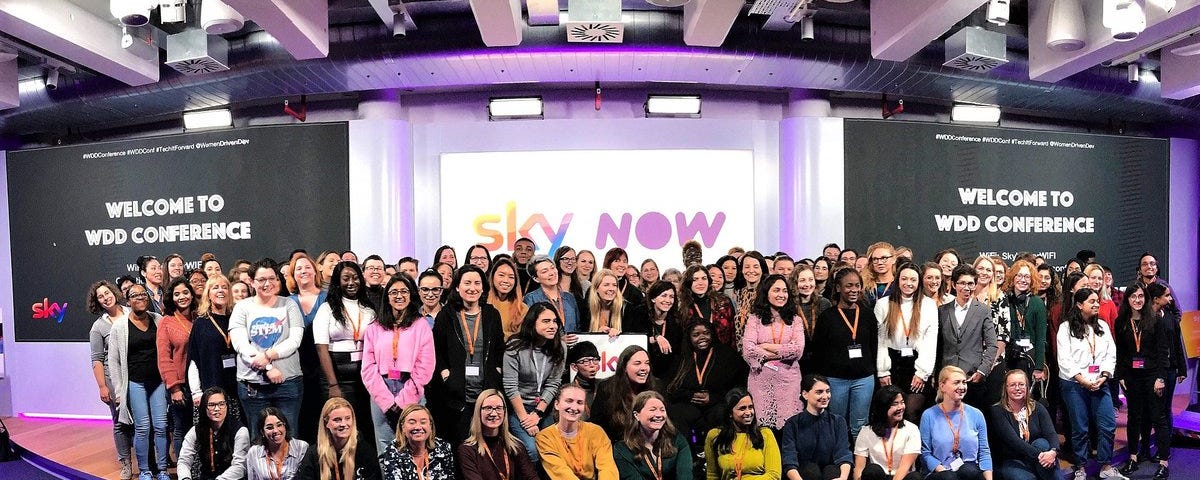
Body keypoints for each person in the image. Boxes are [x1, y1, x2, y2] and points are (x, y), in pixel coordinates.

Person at [229, 261, 306, 439]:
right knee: (258, 439)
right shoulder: (242, 307)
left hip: (288, 382)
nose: (267, 283)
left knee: (289, 436)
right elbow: (240, 344)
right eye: (262, 279)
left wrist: (268, 356)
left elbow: (295, 340)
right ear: (252, 282)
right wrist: (269, 368)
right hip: (253, 385)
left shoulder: (289, 304)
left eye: (272, 278)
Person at [361, 274, 436, 453]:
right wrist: (387, 402)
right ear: (387, 296)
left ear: (411, 295)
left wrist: (404, 400)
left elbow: (425, 366)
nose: (399, 296)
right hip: (381, 390)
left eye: (404, 291)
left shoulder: (421, 325)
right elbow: (368, 368)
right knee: (385, 447)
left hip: (411, 388)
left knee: (415, 445)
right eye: (394, 292)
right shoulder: (374, 327)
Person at [1056, 288, 1125, 480]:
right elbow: (1064, 360)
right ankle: (1081, 467)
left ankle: (1105, 466)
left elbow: (1111, 354)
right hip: (1074, 385)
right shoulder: (1066, 328)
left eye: (1097, 301)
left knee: (1107, 425)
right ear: (1079, 305)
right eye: (1091, 301)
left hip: (1100, 383)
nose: (1096, 305)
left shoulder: (1102, 326)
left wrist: (1103, 376)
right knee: (1080, 428)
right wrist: (1083, 381)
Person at [431, 265, 505, 443]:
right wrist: (445, 373)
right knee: (461, 443)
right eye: (467, 283)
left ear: (483, 287)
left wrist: (497, 371)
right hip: (456, 394)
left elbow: (498, 348)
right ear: (457, 286)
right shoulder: (446, 315)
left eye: (477, 283)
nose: (472, 288)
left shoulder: (492, 314)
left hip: (486, 390)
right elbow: (437, 350)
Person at [107, 283, 170, 480]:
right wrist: (118, 391)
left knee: (161, 425)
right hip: (135, 383)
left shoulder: (158, 320)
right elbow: (114, 361)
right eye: (134, 296)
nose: (140, 298)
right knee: (142, 427)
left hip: (158, 382)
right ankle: (144, 470)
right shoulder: (119, 326)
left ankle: (162, 470)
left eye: (143, 295)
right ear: (128, 300)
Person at [313, 261, 377, 444]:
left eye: (355, 278)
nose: (351, 282)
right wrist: (333, 385)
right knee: (339, 427)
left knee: (362, 425)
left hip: (363, 379)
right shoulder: (327, 309)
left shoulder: (369, 310)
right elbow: (321, 347)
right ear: (337, 282)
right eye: (346, 278)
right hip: (335, 377)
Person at [811, 268, 878, 439]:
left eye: (857, 285)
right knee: (837, 423)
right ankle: (840, 461)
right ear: (838, 288)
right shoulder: (827, 317)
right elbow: (819, 351)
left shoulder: (868, 315)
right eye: (848, 286)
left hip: (863, 379)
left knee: (860, 425)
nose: (854, 290)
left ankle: (860, 462)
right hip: (836, 380)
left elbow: (873, 346)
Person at [666, 320, 747, 446]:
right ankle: (688, 455)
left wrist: (714, 397)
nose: (702, 337)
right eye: (696, 335)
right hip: (688, 404)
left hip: (718, 403)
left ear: (712, 334)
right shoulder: (681, 357)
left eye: (706, 333)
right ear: (689, 338)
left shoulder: (727, 355)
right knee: (677, 414)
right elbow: (671, 389)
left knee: (722, 413)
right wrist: (690, 396)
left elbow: (738, 386)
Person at [503, 302, 567, 462]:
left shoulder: (561, 347)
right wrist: (526, 419)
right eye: (546, 321)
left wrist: (538, 414)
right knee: (533, 450)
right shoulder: (514, 346)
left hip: (544, 408)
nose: (552, 326)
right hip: (518, 407)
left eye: (555, 321)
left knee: (556, 449)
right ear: (532, 323)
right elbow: (511, 386)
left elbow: (553, 383)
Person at [875, 263, 938, 423]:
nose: (908, 283)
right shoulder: (883, 304)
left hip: (916, 365)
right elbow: (880, 341)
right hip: (892, 364)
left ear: (919, 282)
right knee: (890, 413)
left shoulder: (929, 305)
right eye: (904, 279)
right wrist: (883, 371)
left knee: (911, 412)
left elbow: (930, 342)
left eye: (913, 279)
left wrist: (922, 373)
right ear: (897, 280)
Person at [742, 273, 806, 430]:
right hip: (761, 380)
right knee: (764, 428)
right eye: (776, 290)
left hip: (789, 380)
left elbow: (798, 350)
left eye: (784, 291)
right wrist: (783, 352)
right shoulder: (754, 318)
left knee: (789, 428)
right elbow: (748, 349)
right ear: (766, 292)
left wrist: (765, 347)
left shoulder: (795, 319)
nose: (781, 295)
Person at [88, 280, 136, 480]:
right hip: (113, 380)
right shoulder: (98, 327)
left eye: (107, 293)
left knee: (143, 421)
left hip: (137, 374)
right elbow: (97, 359)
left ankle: (148, 462)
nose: (106, 297)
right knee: (120, 423)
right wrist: (102, 386)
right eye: (100, 296)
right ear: (97, 302)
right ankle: (125, 463)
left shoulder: (132, 313)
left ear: (114, 293)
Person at [937, 265, 997, 408]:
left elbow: (992, 345)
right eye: (962, 283)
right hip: (947, 378)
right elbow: (938, 346)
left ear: (975, 285)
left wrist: (982, 371)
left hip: (972, 378)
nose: (966, 287)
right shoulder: (942, 311)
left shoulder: (983, 311)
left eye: (970, 283)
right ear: (953, 284)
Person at [188, 276, 244, 427]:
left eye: (224, 287)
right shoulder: (201, 323)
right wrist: (196, 392)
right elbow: (193, 359)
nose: (221, 291)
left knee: (236, 434)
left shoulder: (237, 319)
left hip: (236, 390)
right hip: (211, 392)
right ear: (208, 293)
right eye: (215, 287)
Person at [919, 366, 992, 480]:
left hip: (969, 473)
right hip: (940, 473)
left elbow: (984, 452)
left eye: (964, 382)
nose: (962, 387)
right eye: (956, 383)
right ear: (942, 386)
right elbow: (926, 454)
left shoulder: (976, 414)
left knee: (969, 470)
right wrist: (945, 472)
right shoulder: (928, 415)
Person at [536, 384, 620, 480]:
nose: (574, 407)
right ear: (556, 404)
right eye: (569, 401)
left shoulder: (596, 432)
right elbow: (560, 473)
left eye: (580, 403)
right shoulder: (545, 437)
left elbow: (607, 468)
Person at [987, 370, 1057, 480]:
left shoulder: (1037, 407)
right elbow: (1014, 441)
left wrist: (1053, 452)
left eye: (1021, 384)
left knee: (1042, 444)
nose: (1017, 388)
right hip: (1012, 459)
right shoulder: (997, 411)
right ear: (1006, 388)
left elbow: (1051, 433)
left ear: (1027, 386)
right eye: (1012, 385)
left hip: (1037, 456)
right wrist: (1041, 456)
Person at [1145, 281, 1184, 479]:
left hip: (1169, 370)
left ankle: (1164, 449)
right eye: (1167, 296)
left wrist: (1182, 368)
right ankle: (1146, 449)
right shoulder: (1144, 319)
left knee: (1164, 410)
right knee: (1151, 411)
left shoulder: (1169, 316)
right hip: (1148, 371)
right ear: (1156, 299)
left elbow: (1177, 342)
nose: (1170, 299)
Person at [781, 375, 853, 480]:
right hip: (804, 475)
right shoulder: (792, 424)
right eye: (819, 392)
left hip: (830, 473)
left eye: (828, 391)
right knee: (811, 470)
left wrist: (842, 478)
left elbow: (843, 455)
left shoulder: (838, 421)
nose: (825, 396)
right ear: (805, 394)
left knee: (831, 470)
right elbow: (789, 460)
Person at [458, 389, 539, 480]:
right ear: (479, 411)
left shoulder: (516, 447)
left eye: (498, 408)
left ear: (504, 412)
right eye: (488, 408)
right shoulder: (467, 450)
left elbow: (531, 477)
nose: (494, 413)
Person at [288, 254, 327, 443]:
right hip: (297, 367)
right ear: (293, 275)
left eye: (307, 267)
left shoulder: (328, 298)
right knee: (303, 418)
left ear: (315, 270)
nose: (303, 271)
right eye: (298, 269)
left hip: (324, 365)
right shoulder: (287, 301)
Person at [613, 391, 693, 480]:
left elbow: (685, 475)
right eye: (652, 409)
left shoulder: (677, 440)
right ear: (636, 415)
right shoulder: (622, 449)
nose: (659, 415)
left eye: (662, 410)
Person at [704, 388, 781, 480]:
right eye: (742, 408)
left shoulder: (765, 434)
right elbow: (712, 475)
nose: (748, 412)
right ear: (730, 413)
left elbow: (774, 476)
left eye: (751, 407)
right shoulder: (715, 435)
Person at [592, 346, 666, 440]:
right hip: (616, 445)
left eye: (647, 363)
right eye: (637, 363)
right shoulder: (607, 388)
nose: (644, 368)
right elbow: (597, 425)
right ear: (624, 368)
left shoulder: (657, 387)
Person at [297, 397, 381, 480]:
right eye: (337, 420)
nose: (343, 424)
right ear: (326, 423)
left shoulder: (365, 451)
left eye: (347, 418)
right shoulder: (314, 454)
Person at [160, 277, 197, 459]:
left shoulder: (200, 316)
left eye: (185, 292)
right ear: (171, 298)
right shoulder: (167, 322)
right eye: (177, 294)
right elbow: (164, 359)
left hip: (202, 384)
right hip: (180, 386)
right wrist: (174, 388)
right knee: (182, 429)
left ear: (191, 294)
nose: (182, 297)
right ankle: (185, 470)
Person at [176, 387, 250, 480]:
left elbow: (240, 467)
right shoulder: (196, 431)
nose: (217, 409)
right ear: (204, 407)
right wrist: (185, 478)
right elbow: (184, 461)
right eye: (211, 405)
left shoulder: (240, 431)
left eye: (221, 404)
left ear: (227, 406)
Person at [853, 385, 921, 480]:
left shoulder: (912, 429)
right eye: (895, 404)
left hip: (901, 477)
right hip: (879, 476)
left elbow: (904, 467)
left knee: (915, 477)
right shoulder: (866, 431)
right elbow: (859, 468)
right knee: (872, 470)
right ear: (883, 407)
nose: (900, 407)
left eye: (902, 402)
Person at [379, 405, 455, 480]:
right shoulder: (392, 452)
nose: (418, 427)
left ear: (430, 426)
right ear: (403, 427)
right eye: (412, 422)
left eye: (423, 422)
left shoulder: (443, 448)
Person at [246, 407, 309, 480]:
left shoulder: (301, 447)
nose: (275, 430)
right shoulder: (254, 452)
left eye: (279, 425)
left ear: (285, 426)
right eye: (269, 428)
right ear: (262, 432)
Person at [679, 265, 735, 347]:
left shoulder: (723, 302)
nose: (700, 283)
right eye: (695, 279)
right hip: (695, 356)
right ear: (688, 283)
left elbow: (733, 333)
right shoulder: (683, 307)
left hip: (723, 354)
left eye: (704, 278)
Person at [524, 255, 581, 336]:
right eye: (545, 271)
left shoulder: (569, 297)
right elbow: (530, 329)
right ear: (536, 278)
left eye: (552, 268)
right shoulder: (530, 299)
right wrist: (559, 340)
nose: (551, 273)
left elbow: (578, 326)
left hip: (572, 345)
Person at [639, 281, 685, 374]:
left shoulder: (677, 322)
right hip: (642, 369)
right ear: (653, 298)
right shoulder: (639, 316)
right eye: (664, 295)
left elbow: (678, 354)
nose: (668, 300)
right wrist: (656, 338)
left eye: (671, 297)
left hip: (668, 374)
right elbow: (635, 340)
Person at [732, 252, 768, 350]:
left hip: (761, 351)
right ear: (742, 270)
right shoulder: (739, 293)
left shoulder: (768, 293)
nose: (751, 270)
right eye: (747, 267)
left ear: (762, 269)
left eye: (756, 267)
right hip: (741, 350)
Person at [487, 257, 528, 338]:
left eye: (511, 277)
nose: (506, 280)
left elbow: (522, 339)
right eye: (501, 275)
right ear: (492, 277)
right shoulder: (481, 304)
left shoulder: (522, 308)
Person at [586, 269, 628, 337]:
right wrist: (596, 335)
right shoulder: (586, 310)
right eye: (606, 285)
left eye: (614, 285)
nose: (611, 289)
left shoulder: (627, 309)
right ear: (596, 288)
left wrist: (621, 335)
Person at [566, 341, 603, 416]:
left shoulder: (605, 386)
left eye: (595, 360)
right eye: (586, 361)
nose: (592, 365)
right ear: (574, 367)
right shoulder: (568, 391)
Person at [861, 242, 896, 308]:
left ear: (894, 259)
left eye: (884, 258)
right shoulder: (865, 286)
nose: (879, 262)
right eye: (875, 259)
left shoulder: (899, 285)